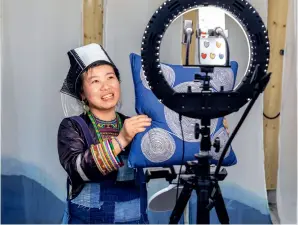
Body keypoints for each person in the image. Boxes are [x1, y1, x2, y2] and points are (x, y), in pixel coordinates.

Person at [57, 43, 151, 224]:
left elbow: (170, 146)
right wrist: (121, 139)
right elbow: (78, 169)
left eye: (110, 77)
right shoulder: (72, 127)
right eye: (95, 81)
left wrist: (213, 127)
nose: (106, 86)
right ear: (82, 93)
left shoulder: (134, 125)